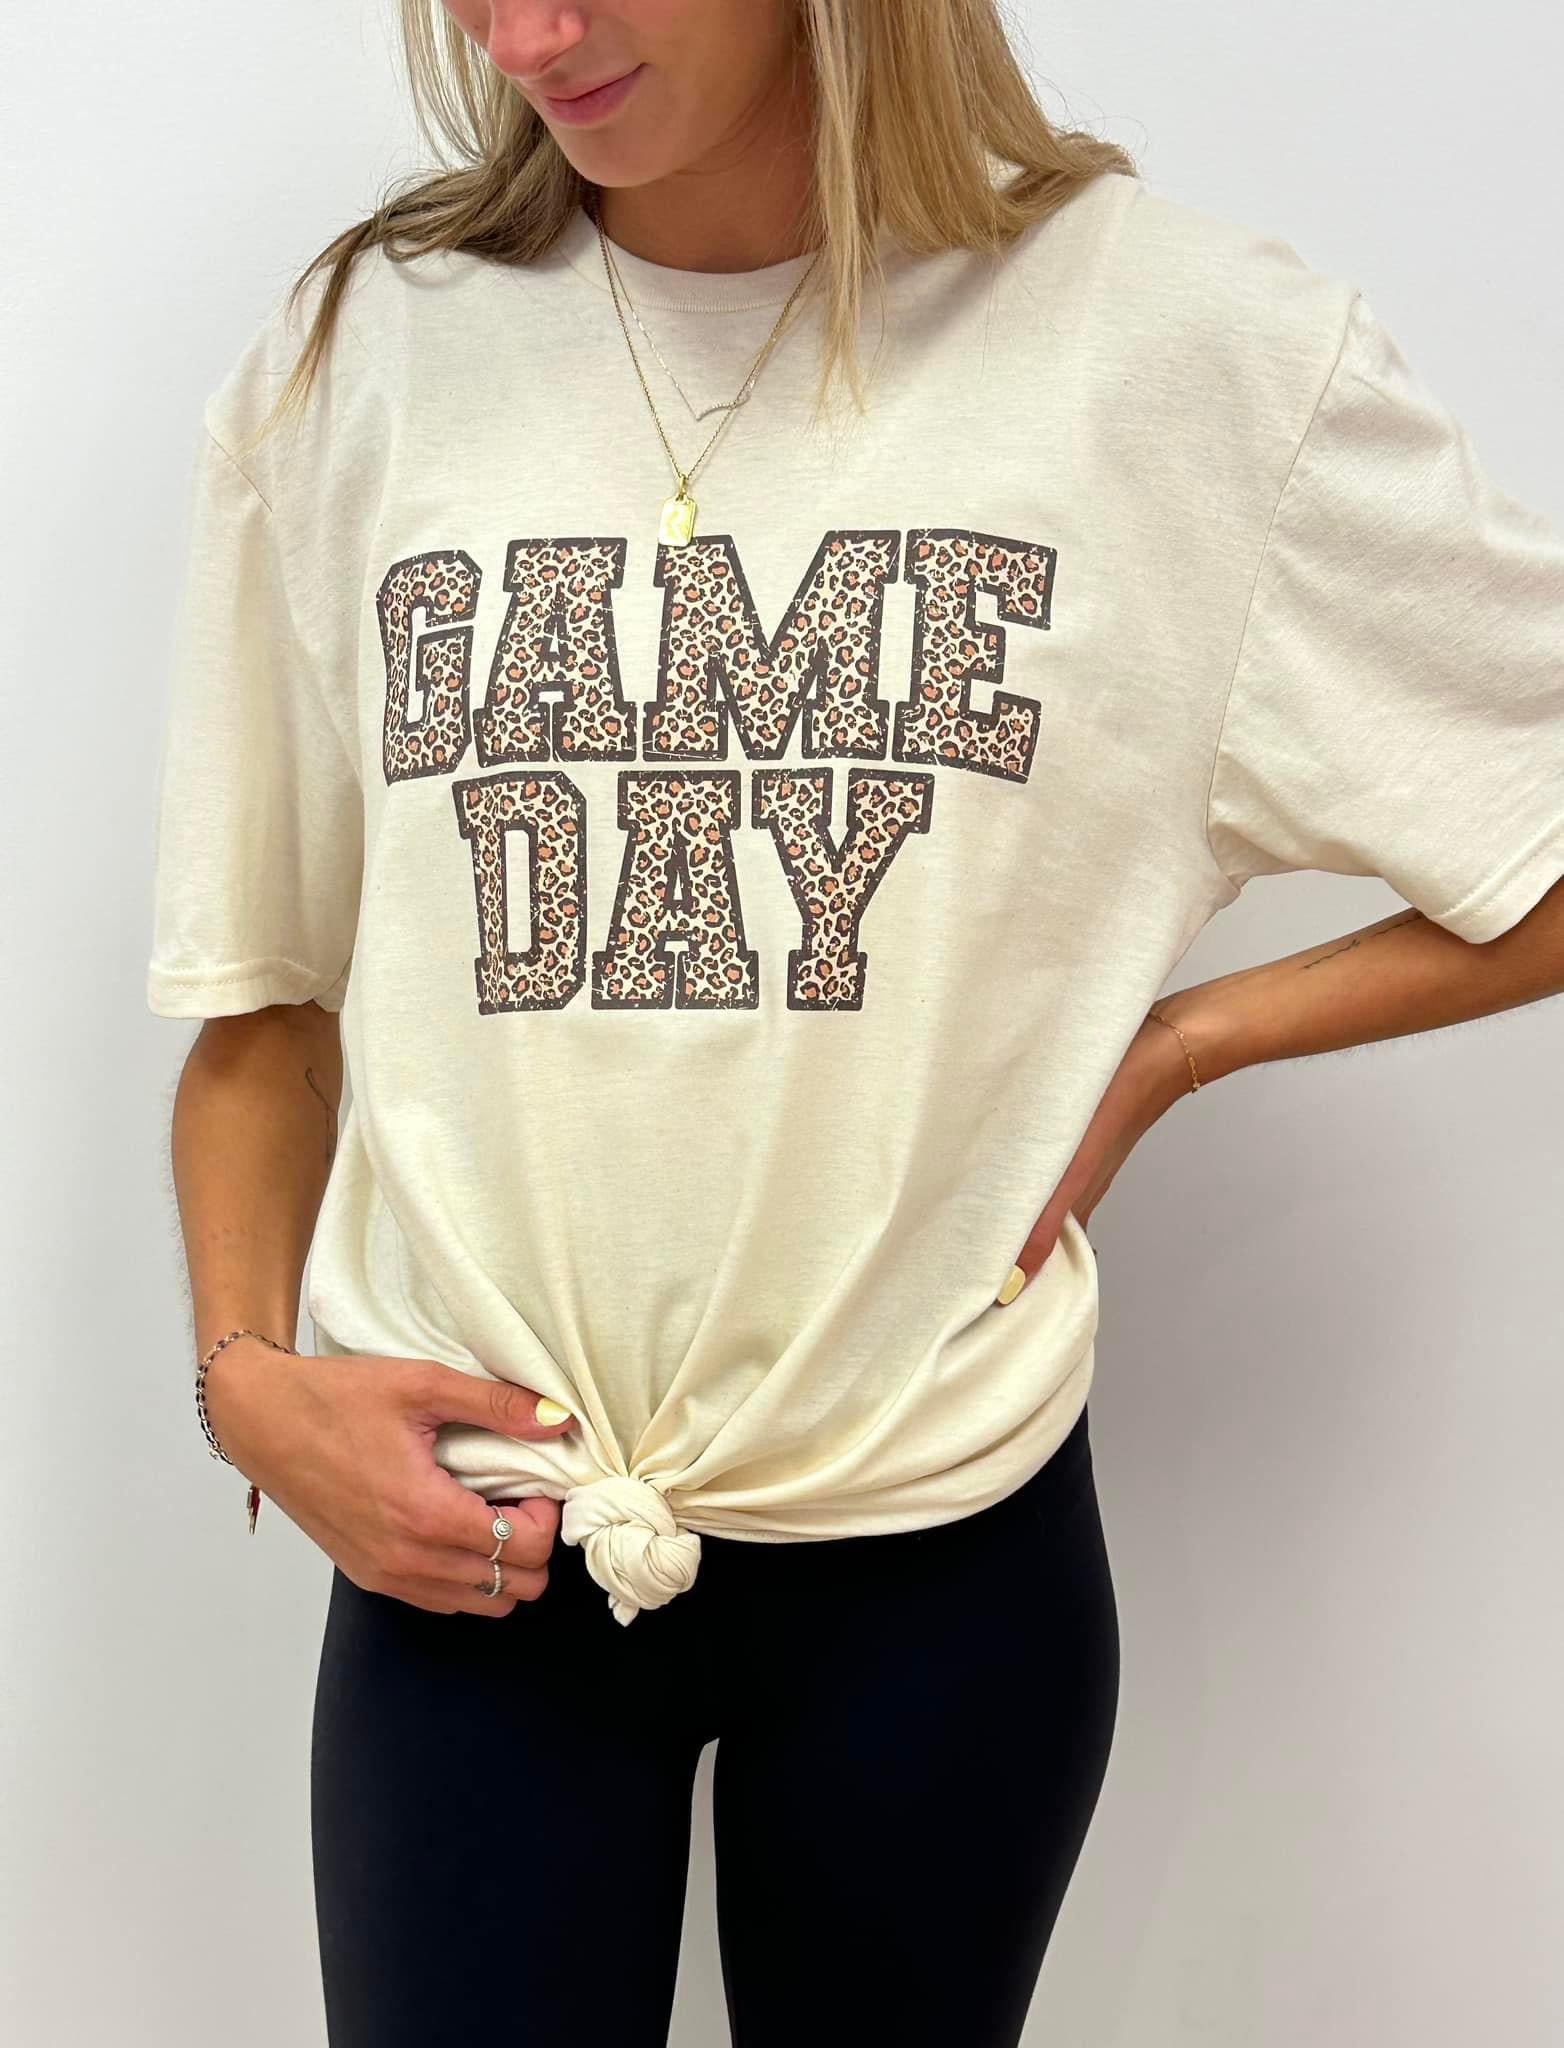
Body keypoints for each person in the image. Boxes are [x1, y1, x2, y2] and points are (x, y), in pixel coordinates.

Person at [145, 3, 1564, 2044]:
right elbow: (265, 1002)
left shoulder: (1172, 356)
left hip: (936, 1560)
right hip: (471, 1552)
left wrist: (1182, 1045)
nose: (524, 34)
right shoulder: (361, 356)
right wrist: (248, 1383)